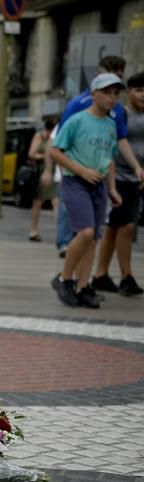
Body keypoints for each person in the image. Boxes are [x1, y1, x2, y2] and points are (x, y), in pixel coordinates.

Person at [54, 56, 144, 257]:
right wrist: (67, 174)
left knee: (92, 235)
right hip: (74, 176)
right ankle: (65, 250)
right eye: (108, 78)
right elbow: (59, 145)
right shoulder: (77, 105)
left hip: (100, 178)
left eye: (118, 80)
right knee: (80, 228)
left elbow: (119, 142)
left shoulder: (117, 111)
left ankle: (82, 280)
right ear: (97, 78)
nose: (113, 94)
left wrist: (136, 166)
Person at [48, 73, 124, 309]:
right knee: (85, 232)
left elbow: (109, 159)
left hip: (99, 185)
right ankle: (65, 279)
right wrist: (81, 171)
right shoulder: (77, 120)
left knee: (94, 239)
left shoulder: (111, 125)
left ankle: (83, 286)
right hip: (75, 182)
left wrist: (112, 188)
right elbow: (55, 151)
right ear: (94, 95)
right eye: (107, 93)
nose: (112, 98)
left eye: (116, 93)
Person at [93, 71, 144, 298]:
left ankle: (101, 274)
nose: (143, 95)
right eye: (139, 90)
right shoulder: (121, 113)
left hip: (137, 178)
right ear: (129, 93)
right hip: (119, 177)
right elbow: (114, 142)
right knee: (125, 227)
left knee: (116, 228)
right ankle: (126, 276)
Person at [26, 116, 57, 242]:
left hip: (56, 171)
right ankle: (33, 230)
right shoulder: (40, 136)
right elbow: (31, 153)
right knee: (38, 202)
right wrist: (47, 155)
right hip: (42, 171)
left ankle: (60, 234)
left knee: (57, 201)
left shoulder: (57, 137)